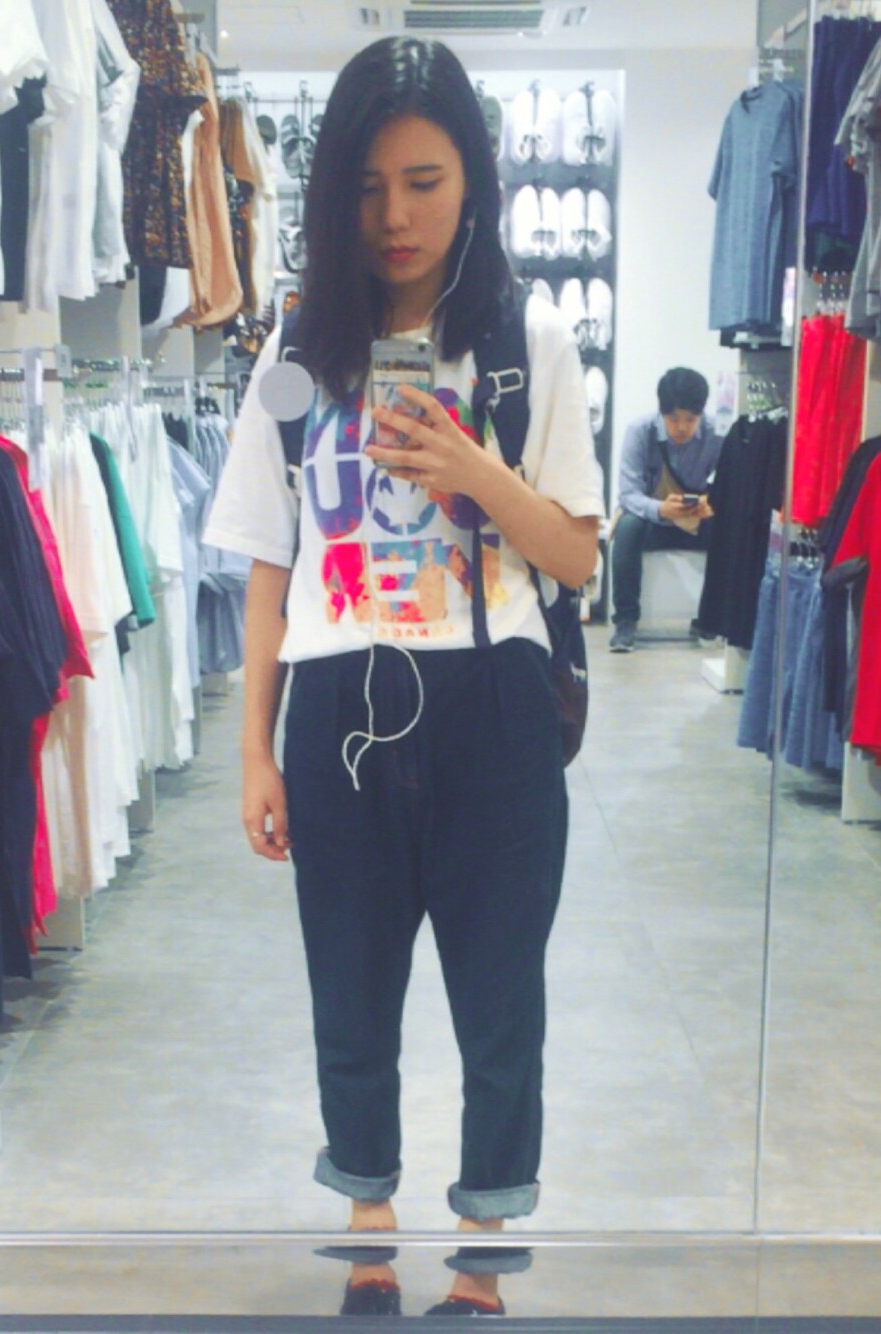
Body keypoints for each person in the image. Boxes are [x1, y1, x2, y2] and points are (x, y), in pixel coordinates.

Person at [205, 36, 603, 1318]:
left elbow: (576, 555)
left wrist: (474, 472)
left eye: (424, 182)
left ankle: (481, 1257)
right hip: (337, 701)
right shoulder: (297, 348)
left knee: (500, 998)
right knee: (350, 986)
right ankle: (369, 1232)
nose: (395, 217)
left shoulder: (527, 337)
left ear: (472, 179)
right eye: (369, 187)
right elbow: (269, 557)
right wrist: (254, 750)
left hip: (494, 702)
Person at [609, 367, 723, 652]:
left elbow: (729, 488)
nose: (682, 427)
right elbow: (628, 494)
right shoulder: (640, 431)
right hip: (652, 520)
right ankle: (625, 621)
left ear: (701, 414)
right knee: (627, 527)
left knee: (730, 530)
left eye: (691, 419)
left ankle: (711, 618)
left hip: (695, 522)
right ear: (661, 413)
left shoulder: (717, 434)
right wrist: (661, 509)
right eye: (673, 419)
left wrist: (710, 504)